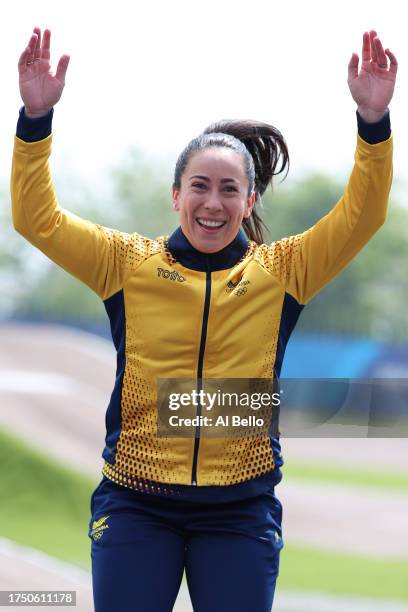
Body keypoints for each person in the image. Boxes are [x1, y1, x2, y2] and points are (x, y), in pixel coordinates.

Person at [12, 26, 397, 612]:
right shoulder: (127, 265)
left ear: (248, 202)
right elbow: (35, 219)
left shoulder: (283, 271)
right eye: (199, 187)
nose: (212, 203)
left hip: (240, 513)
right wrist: (35, 120)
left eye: (228, 190)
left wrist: (373, 125)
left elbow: (362, 215)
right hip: (136, 502)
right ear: (175, 195)